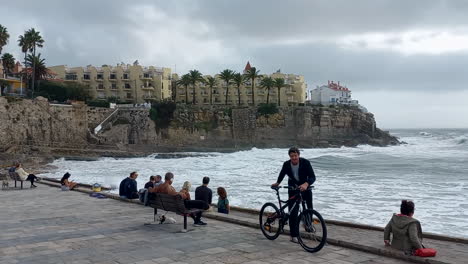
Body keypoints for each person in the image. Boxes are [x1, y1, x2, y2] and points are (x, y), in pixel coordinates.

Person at [271, 147, 316, 243]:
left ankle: (308, 225)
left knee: (309, 208)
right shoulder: (287, 164)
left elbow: (313, 177)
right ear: (289, 156)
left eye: (295, 156)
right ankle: (293, 235)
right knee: (293, 212)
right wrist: (278, 182)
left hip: (305, 187)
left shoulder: (305, 163)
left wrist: (306, 184)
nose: (294, 158)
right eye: (292, 156)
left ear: (298, 155)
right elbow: (282, 173)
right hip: (293, 188)